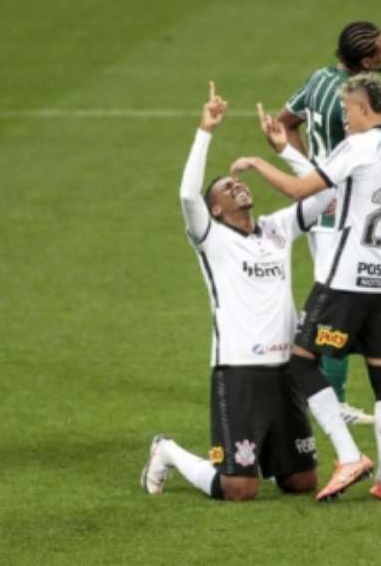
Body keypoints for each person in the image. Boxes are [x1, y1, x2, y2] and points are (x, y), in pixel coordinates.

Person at [233, 72, 381, 501]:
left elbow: (304, 190)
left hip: (343, 280)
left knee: (301, 361)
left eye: (346, 110)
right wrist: (285, 147)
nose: (345, 118)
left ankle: (347, 454)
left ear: (362, 106)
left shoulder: (357, 147)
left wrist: (260, 161)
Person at [140, 82, 335, 501]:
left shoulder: (277, 228)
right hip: (239, 371)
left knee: (302, 482)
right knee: (239, 490)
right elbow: (186, 194)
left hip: (285, 370)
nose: (238, 187)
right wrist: (205, 130)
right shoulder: (211, 239)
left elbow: (328, 193)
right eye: (227, 189)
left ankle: (267, 457)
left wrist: (284, 151)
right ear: (215, 210)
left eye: (238, 183)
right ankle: (168, 451)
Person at [276, 20, 381, 425]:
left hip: (322, 206)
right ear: (365, 59)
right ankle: (331, 400)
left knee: (337, 303)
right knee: (336, 306)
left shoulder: (320, 79)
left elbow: (285, 121)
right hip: (341, 215)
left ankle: (326, 395)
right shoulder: (358, 103)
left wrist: (310, 173)